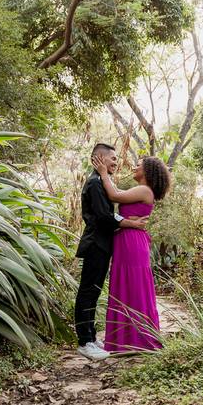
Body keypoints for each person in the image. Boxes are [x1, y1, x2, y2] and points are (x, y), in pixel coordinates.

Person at [74, 143, 148, 361]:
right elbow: (104, 216)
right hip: (95, 244)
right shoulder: (95, 183)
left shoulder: (102, 181)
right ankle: (84, 342)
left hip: (103, 244)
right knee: (88, 292)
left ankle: (90, 336)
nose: (116, 162)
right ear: (99, 158)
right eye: (113, 158)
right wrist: (131, 224)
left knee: (94, 291)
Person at [91, 154, 171, 353]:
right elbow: (117, 192)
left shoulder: (144, 190)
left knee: (133, 285)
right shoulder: (139, 190)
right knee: (127, 284)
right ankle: (127, 339)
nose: (134, 167)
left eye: (138, 165)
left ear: (148, 171)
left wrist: (103, 173)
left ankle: (137, 339)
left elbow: (114, 196)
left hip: (132, 241)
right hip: (127, 239)